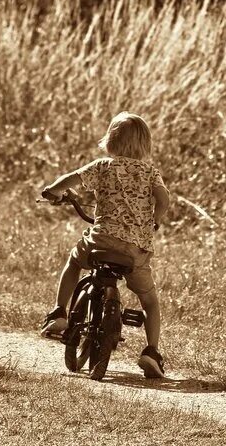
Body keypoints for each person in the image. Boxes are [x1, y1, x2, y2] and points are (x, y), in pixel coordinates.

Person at [39, 112, 171, 379]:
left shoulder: (103, 166)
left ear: (110, 140)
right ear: (146, 145)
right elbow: (163, 197)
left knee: (74, 262)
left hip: (101, 241)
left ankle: (59, 313)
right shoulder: (150, 172)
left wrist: (52, 191)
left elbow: (72, 178)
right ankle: (151, 352)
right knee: (149, 301)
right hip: (136, 250)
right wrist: (155, 219)